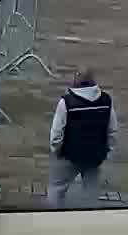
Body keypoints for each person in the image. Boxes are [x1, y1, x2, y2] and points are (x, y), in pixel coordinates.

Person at [48, 69, 119, 207]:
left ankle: (53, 218)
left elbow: (57, 133)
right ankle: (89, 220)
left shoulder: (66, 102)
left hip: (70, 155)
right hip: (95, 155)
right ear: (93, 81)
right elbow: (113, 131)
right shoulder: (106, 100)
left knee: (56, 189)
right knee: (91, 192)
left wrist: (56, 151)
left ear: (75, 80)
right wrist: (107, 151)